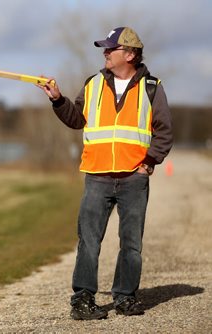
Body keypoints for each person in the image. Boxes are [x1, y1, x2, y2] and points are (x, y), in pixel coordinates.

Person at [36, 26, 173, 320]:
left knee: (132, 244)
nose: (105, 53)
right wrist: (57, 99)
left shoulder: (152, 87)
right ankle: (82, 300)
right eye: (105, 49)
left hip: (133, 179)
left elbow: (164, 131)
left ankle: (125, 298)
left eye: (111, 49)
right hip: (97, 176)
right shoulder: (93, 83)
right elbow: (76, 120)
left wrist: (150, 161)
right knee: (88, 241)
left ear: (131, 54)